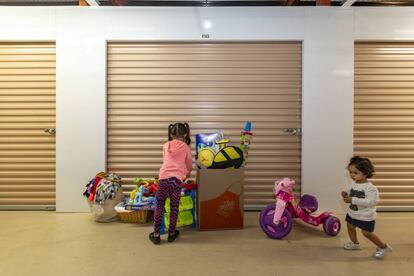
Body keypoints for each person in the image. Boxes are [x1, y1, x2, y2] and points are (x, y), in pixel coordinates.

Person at [149, 122, 192, 245]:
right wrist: (187, 173)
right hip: (176, 180)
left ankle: (156, 234)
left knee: (159, 206)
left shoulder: (166, 145)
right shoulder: (186, 147)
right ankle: (171, 234)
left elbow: (165, 161)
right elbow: (189, 164)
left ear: (171, 134)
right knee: (174, 207)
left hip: (163, 179)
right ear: (185, 134)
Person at [341, 156, 393, 259]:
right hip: (353, 213)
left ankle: (384, 247)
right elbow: (350, 191)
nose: (352, 175)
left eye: (355, 173)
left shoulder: (371, 188)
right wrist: (345, 193)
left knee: (367, 233)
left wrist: (353, 200)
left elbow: (372, 202)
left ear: (365, 173)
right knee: (350, 227)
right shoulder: (353, 183)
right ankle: (355, 244)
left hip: (365, 216)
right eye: (351, 172)